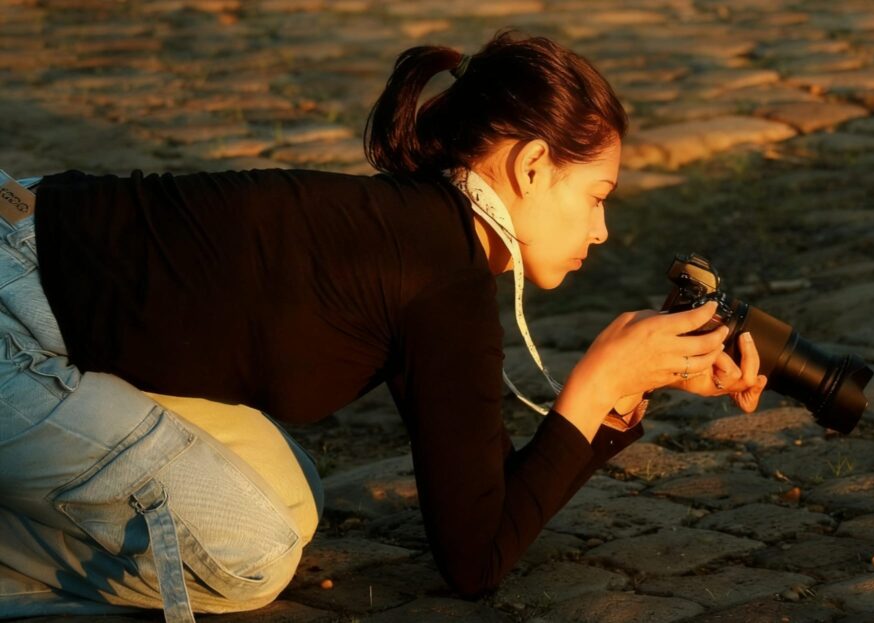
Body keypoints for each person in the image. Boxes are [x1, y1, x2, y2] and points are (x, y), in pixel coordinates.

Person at [0, 30, 767, 622]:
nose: (602, 230)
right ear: (532, 166)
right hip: (17, 318)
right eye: (597, 195)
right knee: (247, 549)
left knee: (290, 496)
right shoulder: (443, 275)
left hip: (34, 263)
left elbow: (481, 500)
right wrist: (595, 382)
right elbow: (475, 561)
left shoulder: (431, 236)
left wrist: (620, 394)